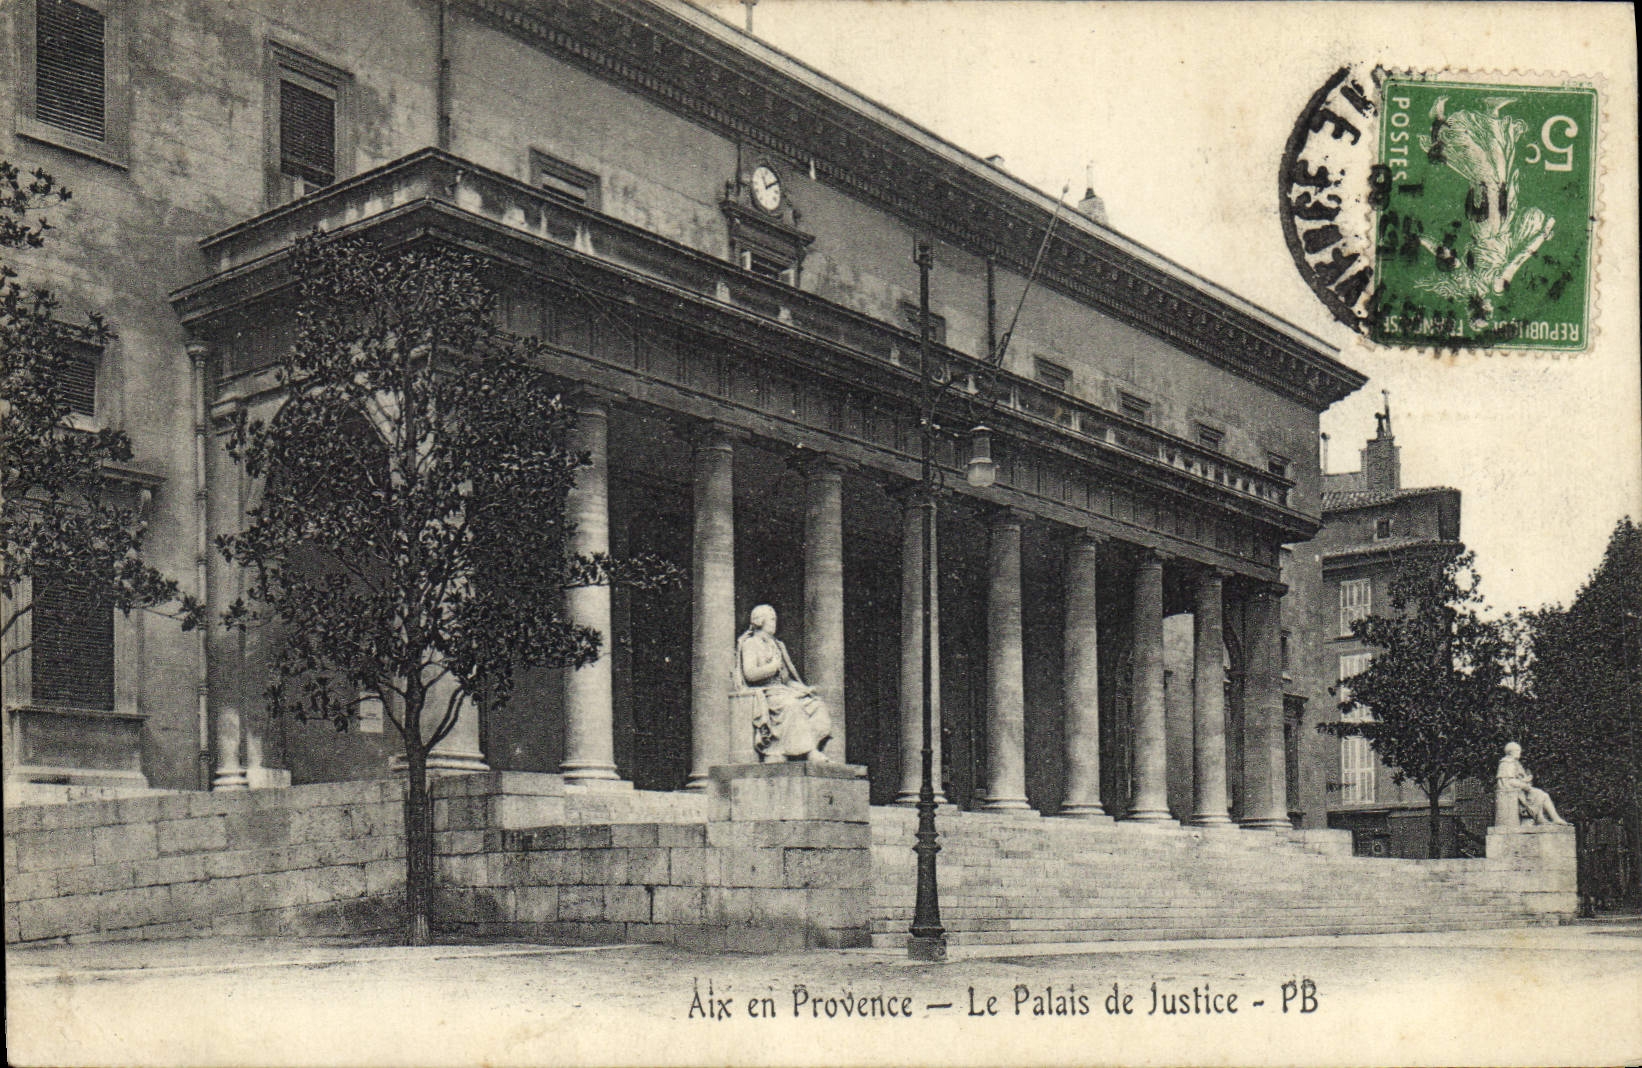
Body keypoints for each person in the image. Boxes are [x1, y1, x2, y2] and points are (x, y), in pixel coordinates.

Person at [736, 604, 833, 762]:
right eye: (772, 619)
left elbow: (786, 680)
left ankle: (807, 747)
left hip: (782, 691)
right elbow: (750, 674)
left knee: (816, 705)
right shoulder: (751, 644)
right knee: (792, 705)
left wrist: (804, 689)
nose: (775, 622)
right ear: (760, 621)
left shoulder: (777, 645)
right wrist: (772, 667)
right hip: (766, 693)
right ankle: (801, 751)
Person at [1496, 741, 1568, 825]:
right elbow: (1508, 781)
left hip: (1521, 791)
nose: (1520, 753)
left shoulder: (1516, 763)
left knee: (1542, 795)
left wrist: (1525, 780)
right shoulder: (1507, 763)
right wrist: (1525, 786)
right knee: (1540, 794)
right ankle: (1542, 818)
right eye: (1518, 751)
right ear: (1511, 752)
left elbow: (1516, 778)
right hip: (1515, 793)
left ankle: (1551, 818)